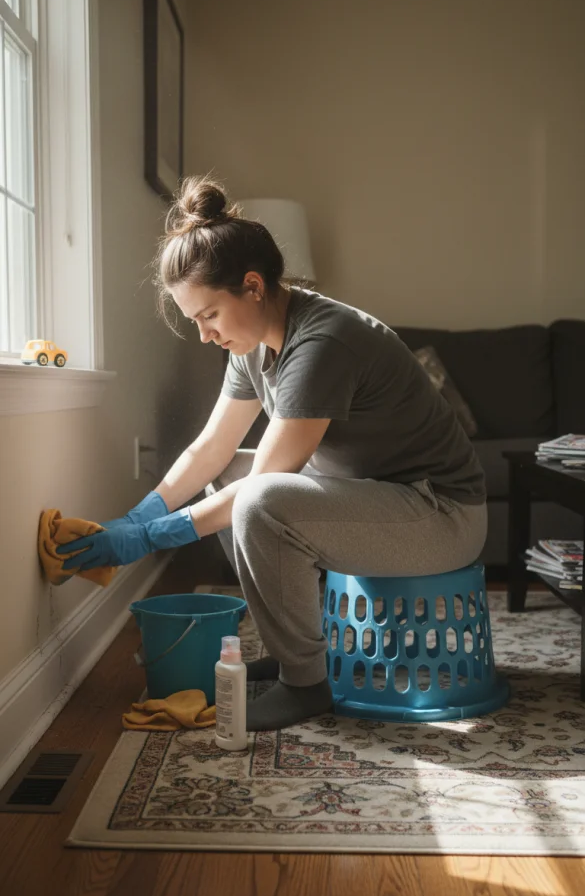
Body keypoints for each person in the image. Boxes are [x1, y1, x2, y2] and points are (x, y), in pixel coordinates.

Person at [57, 176, 487, 732]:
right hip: (384, 499)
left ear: (253, 287)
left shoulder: (321, 342)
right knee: (230, 475)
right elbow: (211, 448)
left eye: (209, 315)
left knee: (257, 499)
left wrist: (147, 540)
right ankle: (297, 652)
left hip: (440, 515)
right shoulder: (254, 343)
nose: (205, 334)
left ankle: (305, 685)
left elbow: (265, 486)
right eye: (195, 322)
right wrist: (140, 515)